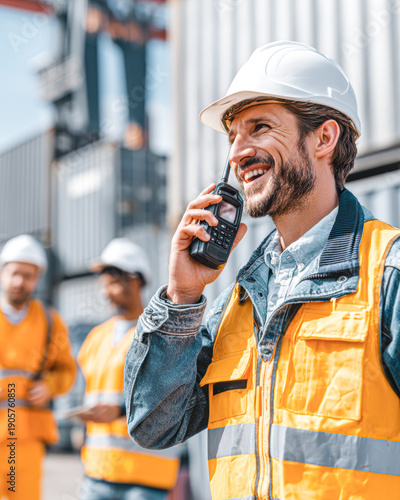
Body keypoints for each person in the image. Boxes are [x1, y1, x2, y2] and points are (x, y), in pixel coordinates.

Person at [123, 41, 400, 499]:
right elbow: (154, 425)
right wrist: (181, 297)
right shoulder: (237, 300)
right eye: (233, 135)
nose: (237, 152)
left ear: (323, 139)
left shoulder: (387, 273)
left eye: (259, 127)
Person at [77, 238, 181, 500]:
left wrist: (121, 412)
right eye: (104, 285)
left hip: (145, 479)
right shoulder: (95, 338)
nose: (105, 292)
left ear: (135, 281)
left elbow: (172, 400)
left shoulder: (160, 335)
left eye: (111, 283)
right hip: (97, 474)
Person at [0, 234, 76, 500]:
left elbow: (67, 370)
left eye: (29, 276)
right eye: (15, 273)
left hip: (27, 435)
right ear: (3, 272)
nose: (20, 282)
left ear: (38, 278)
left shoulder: (49, 321)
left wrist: (49, 386)